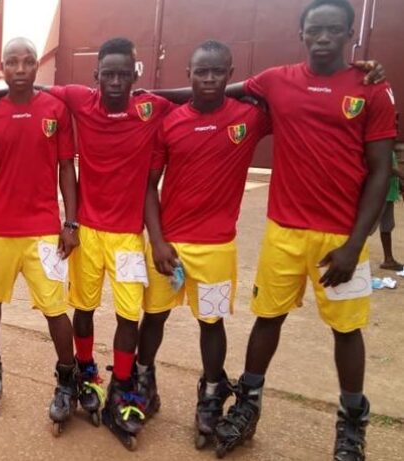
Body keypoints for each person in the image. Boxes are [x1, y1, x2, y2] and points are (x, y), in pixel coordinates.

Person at [166, 1, 396, 459]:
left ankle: (352, 423)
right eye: (316, 30)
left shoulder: (371, 89)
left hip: (340, 239)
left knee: (346, 331)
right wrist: (141, 92)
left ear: (351, 34)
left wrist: (356, 243)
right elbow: (211, 90)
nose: (324, 37)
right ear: (301, 34)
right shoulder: (275, 80)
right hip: (283, 231)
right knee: (267, 319)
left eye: (334, 30)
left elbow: (381, 171)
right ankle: (247, 406)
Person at [0, 37, 174, 449]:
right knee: (78, 309)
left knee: (122, 316)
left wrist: (71, 220)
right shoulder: (77, 100)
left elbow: (197, 97)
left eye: (124, 73)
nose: (115, 81)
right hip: (49, 232)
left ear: (135, 74)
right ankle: (81, 372)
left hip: (114, 235)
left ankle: (120, 386)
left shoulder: (147, 108)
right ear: (96, 76)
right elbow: (28, 92)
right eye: (108, 74)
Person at [139, 40, 271, 450]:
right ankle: (144, 381)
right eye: (201, 72)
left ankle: (212, 393)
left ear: (231, 75)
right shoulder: (170, 123)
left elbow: (292, 96)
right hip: (169, 247)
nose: (209, 79)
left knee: (211, 323)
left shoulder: (250, 117)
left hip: (216, 248)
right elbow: (149, 186)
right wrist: (157, 241)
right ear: (188, 75)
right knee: (154, 317)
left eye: (217, 72)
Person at [0, 37, 79, 433]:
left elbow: (67, 169)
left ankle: (67, 380)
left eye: (28, 62)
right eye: (12, 63)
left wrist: (71, 222)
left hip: (44, 230)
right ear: (3, 66)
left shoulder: (56, 110)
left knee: (55, 309)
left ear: (36, 67)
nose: (21, 69)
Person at [377, 141, 404, 271]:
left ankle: (389, 260)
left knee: (387, 226)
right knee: (366, 227)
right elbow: (384, 165)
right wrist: (400, 174)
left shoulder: (389, 147)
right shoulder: (380, 145)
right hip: (378, 194)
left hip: (388, 193)